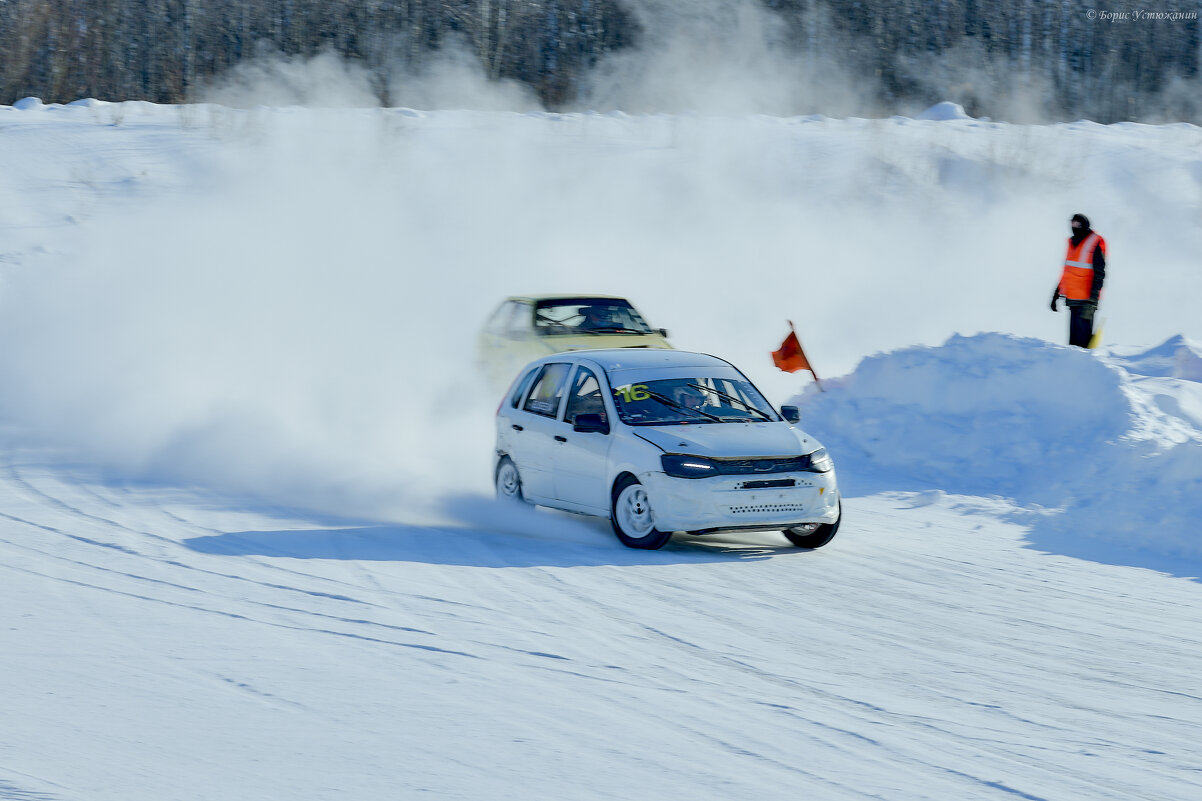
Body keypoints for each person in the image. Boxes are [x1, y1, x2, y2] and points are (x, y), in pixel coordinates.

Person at [1050, 213, 1106, 348]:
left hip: (1086, 302)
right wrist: (1056, 295)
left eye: (1078, 224)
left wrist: (1092, 302)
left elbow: (1099, 274)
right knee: (1073, 346)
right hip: (1072, 300)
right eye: (1072, 224)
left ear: (1085, 225)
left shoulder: (1094, 242)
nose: (1074, 227)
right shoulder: (1072, 242)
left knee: (1083, 346)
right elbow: (1067, 273)